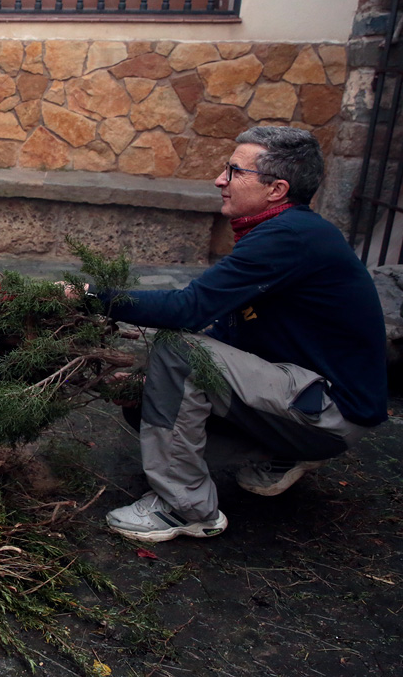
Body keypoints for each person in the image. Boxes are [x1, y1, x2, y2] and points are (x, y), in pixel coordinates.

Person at [77, 126, 387, 543]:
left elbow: (188, 309)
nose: (220, 180)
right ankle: (281, 454)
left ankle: (184, 509)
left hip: (331, 412)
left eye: (234, 171)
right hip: (310, 394)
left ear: (276, 189)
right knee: (148, 397)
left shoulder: (288, 237)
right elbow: (227, 326)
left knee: (179, 351)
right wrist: (148, 382)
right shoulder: (281, 231)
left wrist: (92, 296)